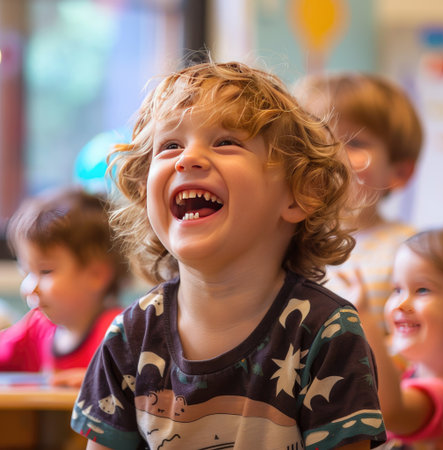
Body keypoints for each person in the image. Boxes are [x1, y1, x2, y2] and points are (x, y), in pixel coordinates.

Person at [70, 61, 386, 450]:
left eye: (225, 142)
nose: (187, 159)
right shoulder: (131, 335)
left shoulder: (327, 332)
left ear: (297, 194)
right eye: (170, 145)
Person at [294, 73, 423, 332]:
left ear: (399, 172)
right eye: (318, 142)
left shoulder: (408, 252)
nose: (331, 156)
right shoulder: (290, 238)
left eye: (354, 143)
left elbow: (409, 356)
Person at [0, 188, 129, 387]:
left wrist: (103, 382)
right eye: (26, 272)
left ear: (96, 275)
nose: (29, 288)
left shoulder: (120, 334)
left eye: (45, 271)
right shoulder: (36, 327)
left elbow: (148, 386)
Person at [342, 226, 443, 449]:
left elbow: (389, 410)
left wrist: (363, 316)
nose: (401, 303)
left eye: (422, 290)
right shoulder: (405, 372)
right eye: (397, 289)